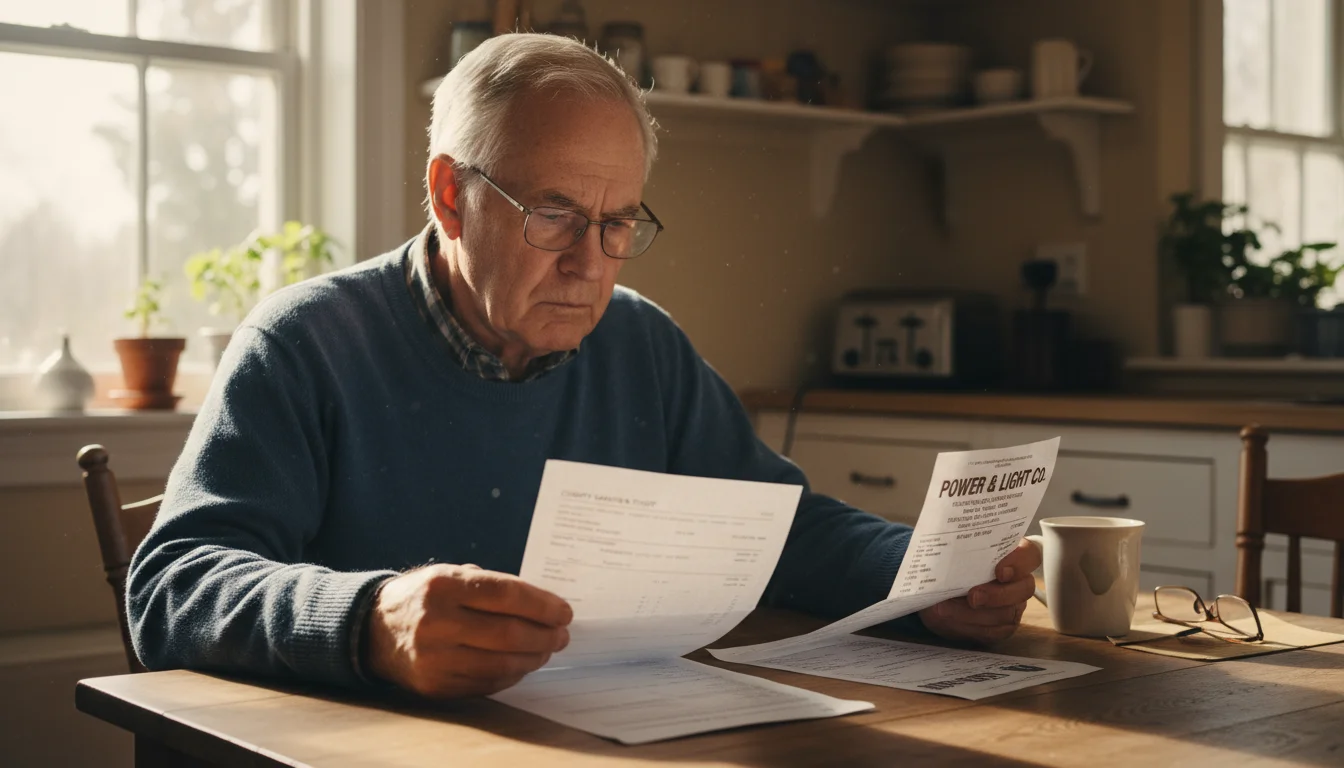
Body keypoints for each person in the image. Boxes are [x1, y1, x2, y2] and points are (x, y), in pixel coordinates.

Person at [127, 33, 1041, 699]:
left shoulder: (640, 344)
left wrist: (926, 581)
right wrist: (372, 621)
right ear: (451, 195)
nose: (590, 263)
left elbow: (780, 529)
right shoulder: (303, 343)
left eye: (618, 224)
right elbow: (173, 586)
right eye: (555, 213)